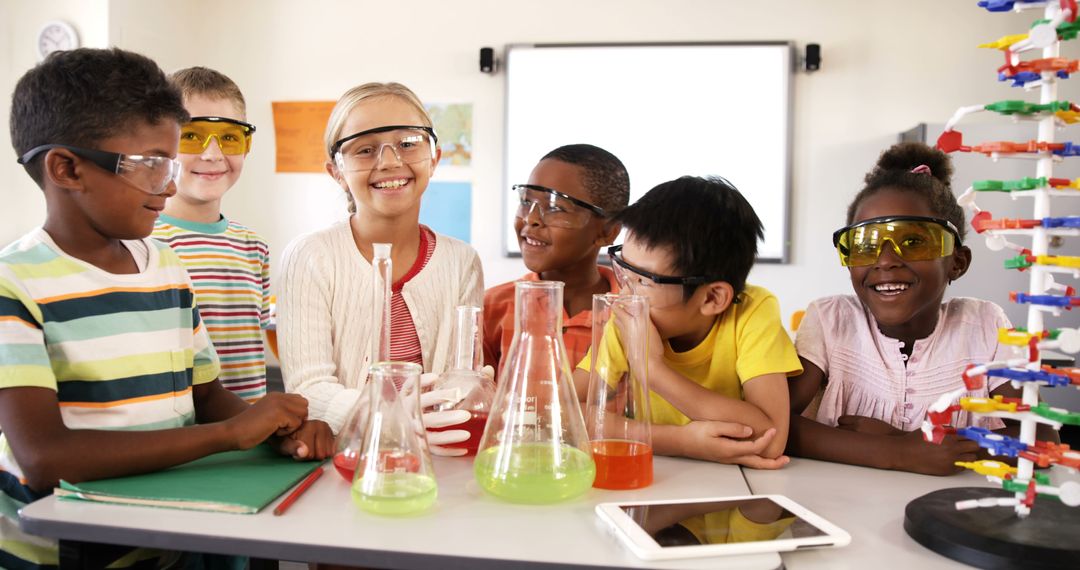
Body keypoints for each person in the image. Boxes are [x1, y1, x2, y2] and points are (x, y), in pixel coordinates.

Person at [0, 48, 321, 569]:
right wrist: (226, 436)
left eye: (170, 164)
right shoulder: (15, 281)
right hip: (60, 553)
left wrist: (278, 431)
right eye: (151, 164)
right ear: (67, 168)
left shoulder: (166, 266)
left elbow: (210, 396)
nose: (170, 184)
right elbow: (44, 459)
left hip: (161, 538)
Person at [787, 142, 1058, 475]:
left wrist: (909, 442)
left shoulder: (985, 326)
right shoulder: (831, 320)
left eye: (914, 241)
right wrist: (897, 451)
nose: (885, 260)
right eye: (865, 245)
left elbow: (1042, 439)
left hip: (951, 513)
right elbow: (776, 423)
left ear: (957, 262)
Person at [278, 82, 483, 455]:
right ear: (336, 172)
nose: (389, 161)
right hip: (345, 462)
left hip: (435, 459)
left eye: (408, 143)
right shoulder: (310, 256)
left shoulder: (462, 262)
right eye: (365, 149)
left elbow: (461, 377)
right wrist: (394, 416)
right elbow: (309, 389)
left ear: (434, 158)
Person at [576, 176, 801, 468]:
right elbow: (561, 410)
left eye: (643, 281)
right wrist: (680, 441)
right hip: (658, 489)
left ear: (712, 298)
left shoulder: (752, 313)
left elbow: (769, 440)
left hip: (735, 496)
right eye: (623, 269)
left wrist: (652, 370)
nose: (625, 293)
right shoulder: (631, 319)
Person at [152, 66, 270, 402]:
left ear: (247, 145)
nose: (213, 154)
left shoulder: (254, 247)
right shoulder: (141, 244)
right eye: (191, 135)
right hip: (182, 440)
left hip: (252, 432)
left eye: (230, 138)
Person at [483, 144, 629, 375]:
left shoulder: (631, 314)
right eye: (525, 201)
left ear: (607, 232)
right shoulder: (492, 307)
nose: (531, 219)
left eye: (555, 207)